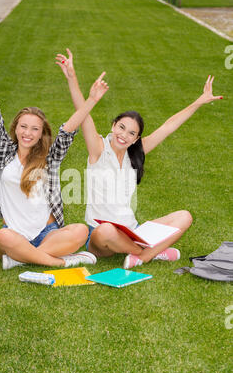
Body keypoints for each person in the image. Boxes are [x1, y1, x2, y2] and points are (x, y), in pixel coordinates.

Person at [56, 49, 223, 269]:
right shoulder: (98, 148)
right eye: (121, 127)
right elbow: (83, 114)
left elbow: (168, 126)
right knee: (106, 229)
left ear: (136, 139)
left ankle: (142, 256)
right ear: (114, 125)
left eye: (131, 133)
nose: (124, 135)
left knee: (184, 216)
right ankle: (149, 252)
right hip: (100, 237)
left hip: (133, 231)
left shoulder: (135, 153)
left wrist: (199, 102)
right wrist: (72, 78)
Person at [0, 39, 109, 270]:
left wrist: (91, 99)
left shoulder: (49, 157)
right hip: (15, 235)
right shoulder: (4, 149)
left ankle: (20, 258)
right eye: (23, 126)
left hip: (48, 233)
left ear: (42, 134)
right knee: (2, 238)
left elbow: (69, 129)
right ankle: (59, 262)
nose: (27, 133)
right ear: (15, 128)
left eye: (34, 129)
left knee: (80, 230)